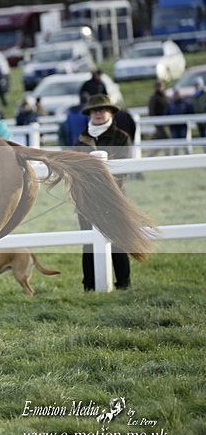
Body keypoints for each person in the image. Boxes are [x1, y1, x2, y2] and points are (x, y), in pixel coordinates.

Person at [75, 94, 132, 290]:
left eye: (102, 109)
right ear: (90, 113)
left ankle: (123, 283)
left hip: (113, 199)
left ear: (110, 112)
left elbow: (123, 172)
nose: (98, 113)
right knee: (88, 243)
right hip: (86, 200)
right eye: (94, 110)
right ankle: (89, 285)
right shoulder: (81, 140)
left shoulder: (121, 138)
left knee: (117, 240)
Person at [147, 81, 170, 150]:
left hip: (166, 122)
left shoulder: (165, 97)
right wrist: (155, 121)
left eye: (161, 86)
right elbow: (151, 111)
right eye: (158, 87)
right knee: (166, 137)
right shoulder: (153, 98)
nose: (160, 88)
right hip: (159, 122)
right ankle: (167, 153)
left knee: (161, 138)